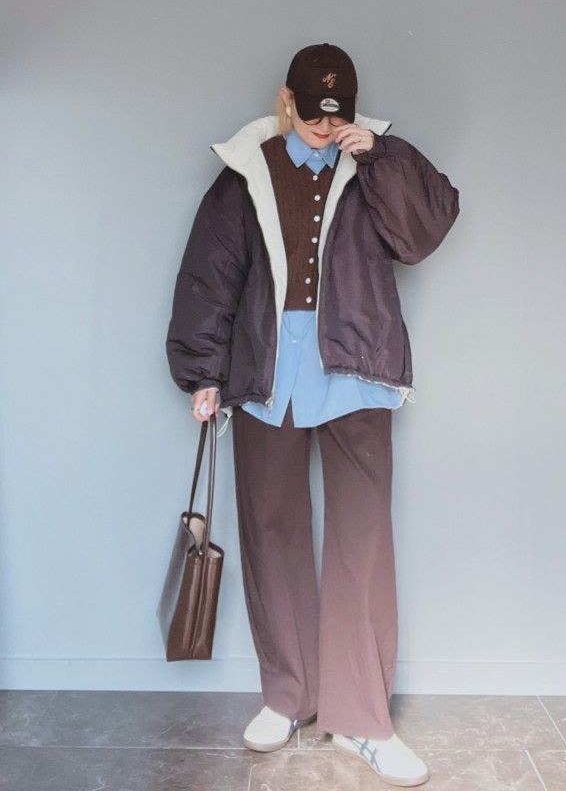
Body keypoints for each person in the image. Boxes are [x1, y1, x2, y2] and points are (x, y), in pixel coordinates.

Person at [166, 43, 460, 786]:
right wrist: (201, 372)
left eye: (339, 115)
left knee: (364, 537)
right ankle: (287, 695)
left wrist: (380, 156)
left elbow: (423, 234)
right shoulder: (248, 170)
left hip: (356, 365)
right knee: (273, 528)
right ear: (287, 100)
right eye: (314, 113)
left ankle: (362, 719)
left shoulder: (375, 162)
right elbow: (210, 273)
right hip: (269, 369)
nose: (327, 127)